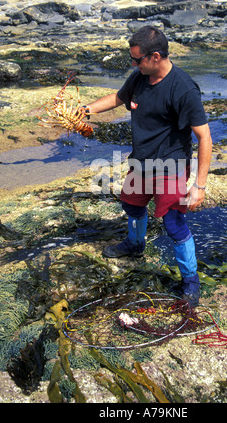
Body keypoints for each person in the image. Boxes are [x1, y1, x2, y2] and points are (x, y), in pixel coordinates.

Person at [83, 25, 212, 307]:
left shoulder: (184, 89)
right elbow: (118, 99)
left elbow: (205, 137)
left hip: (171, 166)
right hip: (141, 163)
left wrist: (199, 186)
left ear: (155, 56)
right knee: (131, 205)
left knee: (173, 223)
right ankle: (135, 244)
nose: (133, 63)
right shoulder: (139, 77)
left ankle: (190, 280)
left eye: (137, 59)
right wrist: (85, 111)